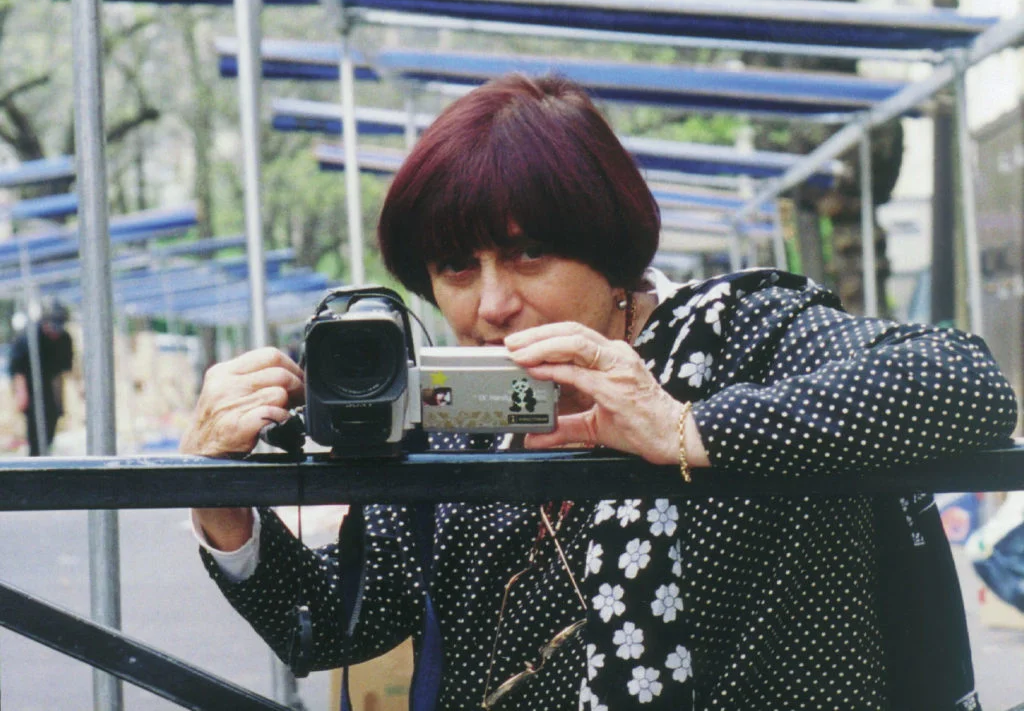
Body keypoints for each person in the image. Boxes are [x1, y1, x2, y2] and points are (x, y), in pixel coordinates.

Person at [184, 74, 1018, 711]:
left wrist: (683, 425)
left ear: (611, 249)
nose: (492, 301)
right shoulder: (457, 415)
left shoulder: (737, 334)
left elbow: (964, 383)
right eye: (455, 268)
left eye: (529, 253)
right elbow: (337, 622)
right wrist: (224, 506)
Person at [9, 300, 73, 456]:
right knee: (35, 428)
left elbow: (60, 374)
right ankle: (35, 458)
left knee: (52, 421)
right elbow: (17, 370)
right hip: (30, 385)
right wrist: (21, 395)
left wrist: (59, 401)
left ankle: (44, 454)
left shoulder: (64, 340)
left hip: (49, 386)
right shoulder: (27, 337)